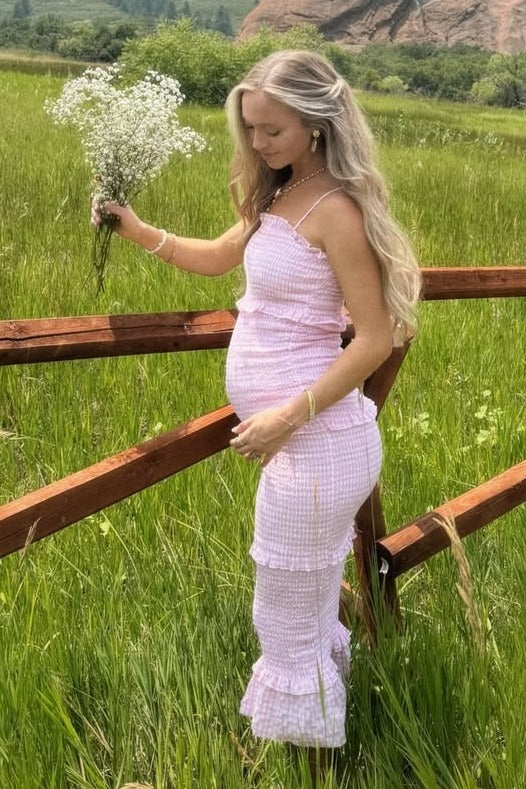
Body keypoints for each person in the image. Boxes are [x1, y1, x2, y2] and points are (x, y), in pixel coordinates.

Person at [93, 50, 421, 781]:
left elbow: (374, 338)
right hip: (308, 448)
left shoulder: (335, 209)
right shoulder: (278, 194)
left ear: (316, 122)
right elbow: (218, 257)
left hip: (318, 445)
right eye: (251, 128)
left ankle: (315, 767)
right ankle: (327, 750)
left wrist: (283, 418)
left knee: (285, 620)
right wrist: (136, 229)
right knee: (307, 611)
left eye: (273, 129)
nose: (259, 142)